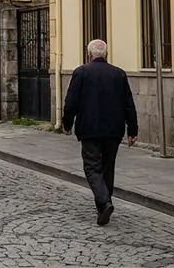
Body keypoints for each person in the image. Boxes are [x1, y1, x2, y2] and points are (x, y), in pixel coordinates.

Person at [61, 39, 138, 227]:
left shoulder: (81, 72)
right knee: (107, 167)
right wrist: (132, 130)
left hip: (90, 129)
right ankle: (103, 205)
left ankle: (104, 201)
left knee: (92, 167)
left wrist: (67, 123)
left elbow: (71, 102)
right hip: (113, 130)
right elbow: (129, 104)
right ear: (106, 55)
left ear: (89, 55)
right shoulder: (119, 74)